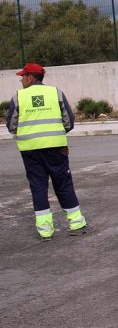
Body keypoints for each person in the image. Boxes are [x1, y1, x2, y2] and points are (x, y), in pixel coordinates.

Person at [5, 63, 90, 241]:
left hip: (31, 151)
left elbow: (12, 126)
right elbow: (69, 120)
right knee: (64, 184)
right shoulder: (55, 93)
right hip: (56, 148)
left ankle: (45, 231)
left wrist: (29, 134)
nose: (21, 80)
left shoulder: (18, 97)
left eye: (23, 76)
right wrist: (56, 133)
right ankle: (77, 224)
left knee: (38, 187)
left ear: (30, 77)